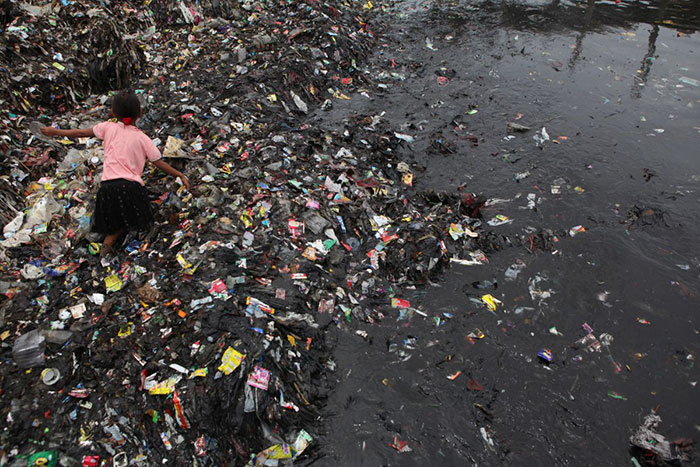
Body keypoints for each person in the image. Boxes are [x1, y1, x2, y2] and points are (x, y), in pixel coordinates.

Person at [41, 91, 189, 256]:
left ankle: (105, 250)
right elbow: (158, 162)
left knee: (113, 225)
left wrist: (55, 132)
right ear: (140, 113)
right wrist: (179, 175)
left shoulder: (107, 127)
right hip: (132, 188)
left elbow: (80, 133)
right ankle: (117, 250)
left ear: (112, 112)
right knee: (139, 221)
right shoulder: (143, 138)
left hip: (108, 188)